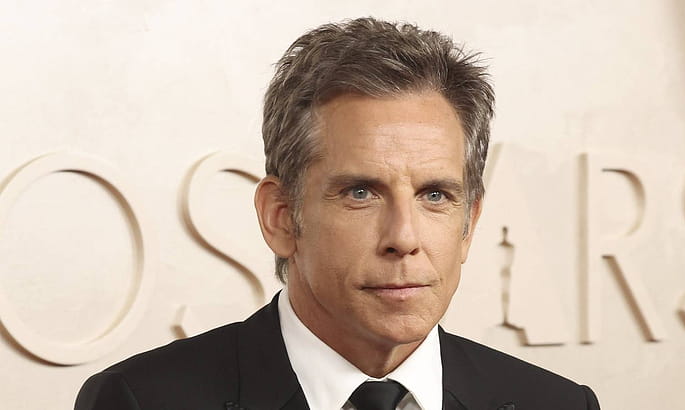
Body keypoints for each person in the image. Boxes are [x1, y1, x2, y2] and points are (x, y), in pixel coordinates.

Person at [75, 17, 600, 410]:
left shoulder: (557, 404)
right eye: (361, 193)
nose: (404, 238)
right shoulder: (140, 400)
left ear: (469, 225)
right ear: (281, 217)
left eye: (435, 195)